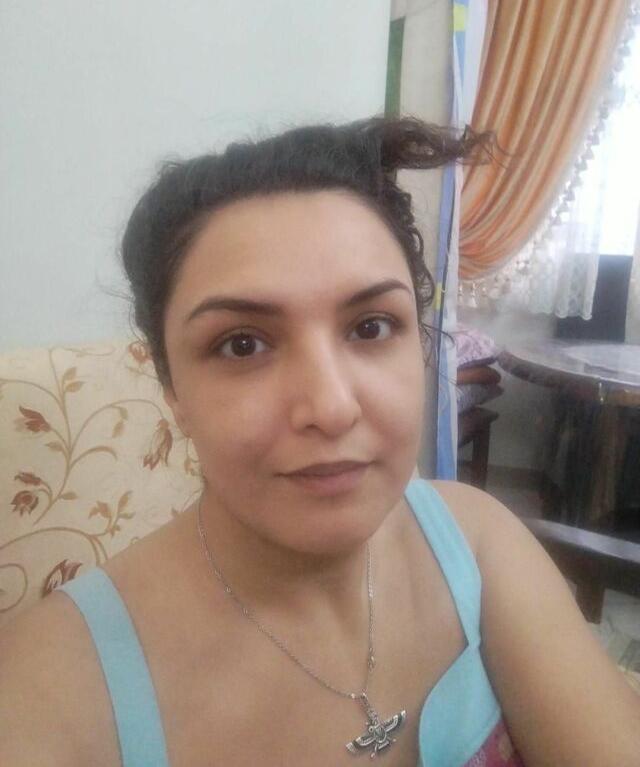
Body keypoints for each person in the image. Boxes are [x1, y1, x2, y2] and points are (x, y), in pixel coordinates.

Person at [1, 117, 639, 767]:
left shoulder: (476, 541)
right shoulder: (50, 692)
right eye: (242, 344)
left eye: (371, 327)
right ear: (172, 388)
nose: (332, 408)